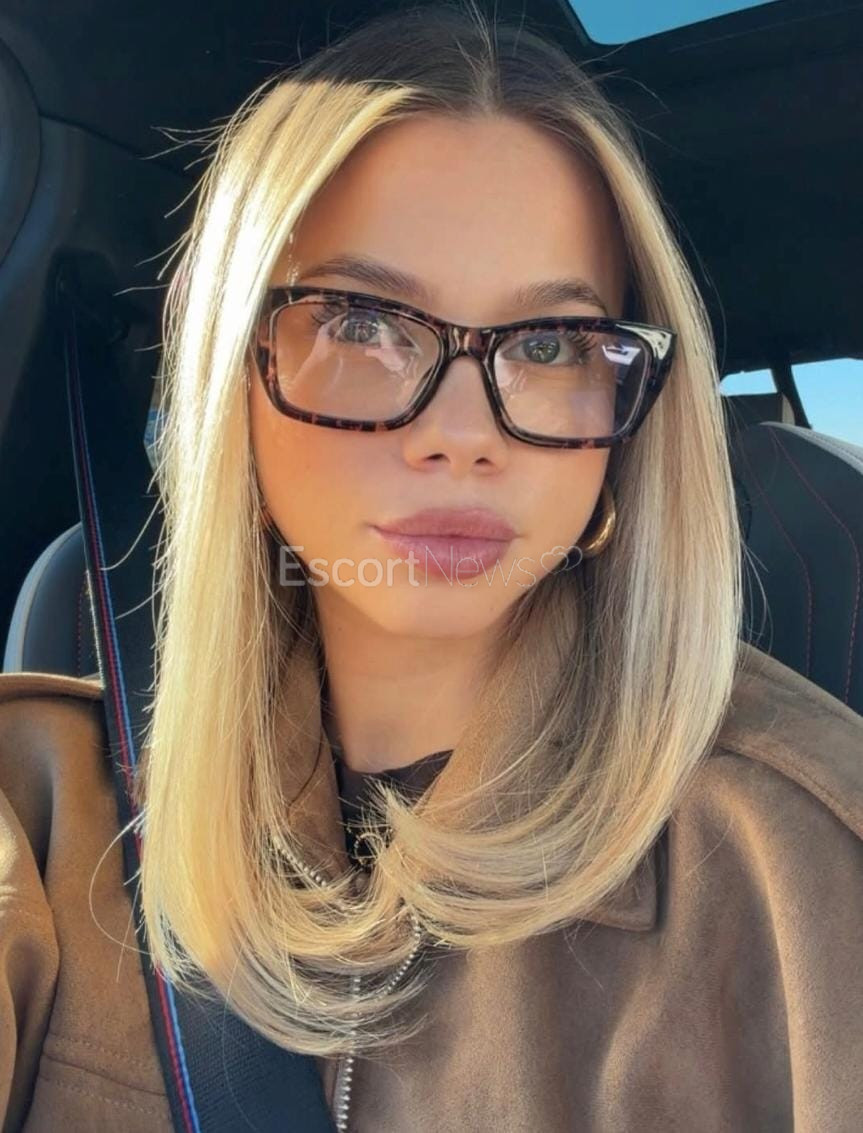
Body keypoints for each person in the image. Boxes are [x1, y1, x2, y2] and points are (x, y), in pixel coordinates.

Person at [2, 3, 862, 1131]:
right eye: (362, 324)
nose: (462, 433)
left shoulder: (805, 861)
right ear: (230, 367)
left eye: (548, 343)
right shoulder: (43, 804)